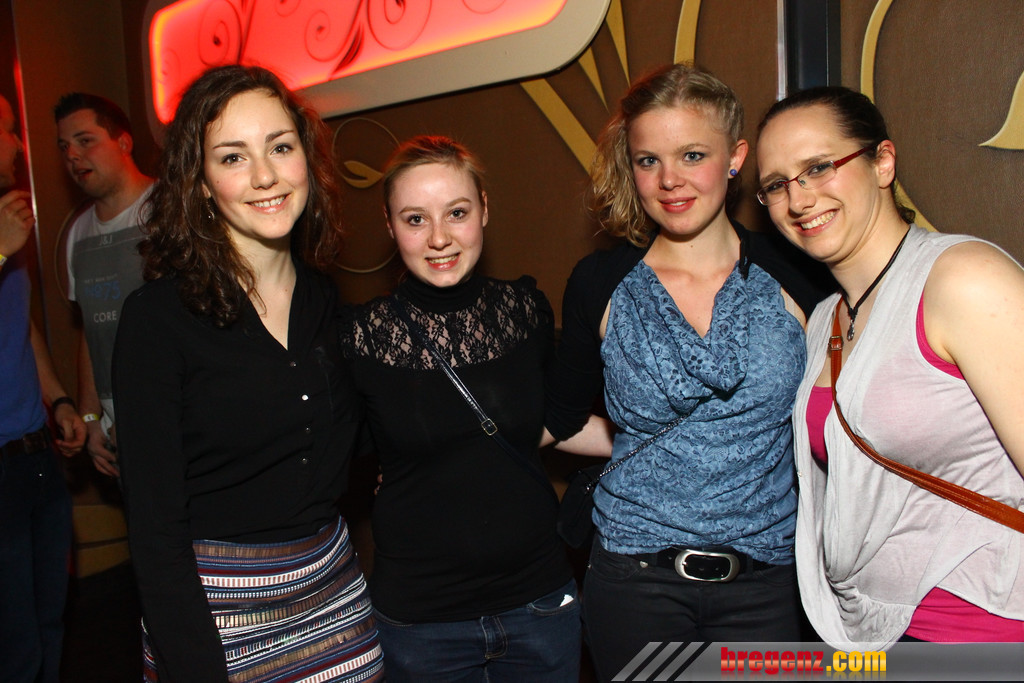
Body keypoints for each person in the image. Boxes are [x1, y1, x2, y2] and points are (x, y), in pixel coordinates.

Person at [544, 63, 831, 679]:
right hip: (634, 580)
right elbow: (560, 419)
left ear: (736, 158)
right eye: (648, 160)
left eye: (692, 155)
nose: (669, 180)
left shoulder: (798, 271)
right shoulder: (601, 282)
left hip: (769, 582)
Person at [112, 66, 383, 682]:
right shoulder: (157, 321)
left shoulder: (325, 300)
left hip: (334, 595)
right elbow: (154, 529)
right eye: (233, 157)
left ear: (306, 160)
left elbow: (358, 445)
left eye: (280, 147)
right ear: (201, 183)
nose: (265, 176)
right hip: (217, 615)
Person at [756, 86, 1024, 647]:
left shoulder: (963, 279)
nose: (798, 199)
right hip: (866, 632)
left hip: (982, 633)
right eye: (776, 184)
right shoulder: (824, 319)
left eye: (818, 167)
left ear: (882, 162)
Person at [338, 135, 610, 682]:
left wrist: (658, 442)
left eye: (456, 213)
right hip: (422, 621)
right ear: (390, 226)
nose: (439, 238)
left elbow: (551, 421)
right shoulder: (359, 338)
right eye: (415, 219)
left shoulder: (524, 311)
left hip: (539, 602)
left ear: (483, 209)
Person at [0, 91, 87, 683]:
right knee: (14, 643)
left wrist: (58, 399)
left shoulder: (8, 219)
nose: (17, 144)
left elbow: (21, 324)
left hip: (36, 457)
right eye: (7, 129)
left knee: (48, 624)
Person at [55, 92, 154, 478]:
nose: (73, 155)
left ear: (123, 142)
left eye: (85, 140)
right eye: (65, 147)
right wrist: (91, 416)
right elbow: (91, 326)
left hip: (179, 414)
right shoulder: (77, 233)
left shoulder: (171, 210)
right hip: (116, 428)